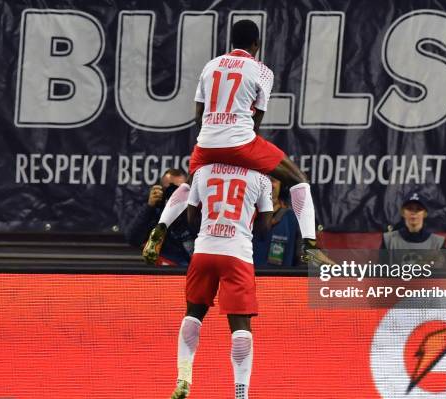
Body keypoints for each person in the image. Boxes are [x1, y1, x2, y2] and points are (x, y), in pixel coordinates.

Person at [143, 19, 333, 267]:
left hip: (207, 141)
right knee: (300, 181)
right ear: (257, 43)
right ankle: (310, 247)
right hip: (241, 141)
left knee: (190, 185)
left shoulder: (210, 66)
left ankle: (160, 228)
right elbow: (257, 120)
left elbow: (199, 114)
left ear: (232, 42)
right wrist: (244, 153)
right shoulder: (262, 71)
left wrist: (212, 140)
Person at [167, 163, 273, 399]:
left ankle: (183, 379)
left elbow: (191, 219)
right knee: (241, 328)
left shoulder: (202, 172)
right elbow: (266, 226)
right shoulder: (260, 178)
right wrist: (245, 231)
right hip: (237, 253)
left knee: (193, 314)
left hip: (204, 250)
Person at [124, 168, 194, 266]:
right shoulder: (155, 212)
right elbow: (133, 238)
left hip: (190, 268)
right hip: (165, 270)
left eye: (180, 190)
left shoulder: (193, 210)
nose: (176, 194)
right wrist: (149, 206)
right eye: (171, 189)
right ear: (162, 190)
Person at [252, 177, 300, 266]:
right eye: (264, 181)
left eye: (273, 180)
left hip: (279, 279)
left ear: (281, 186)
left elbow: (301, 262)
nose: (269, 185)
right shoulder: (248, 216)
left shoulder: (292, 219)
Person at [380, 193, 445, 250]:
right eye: (409, 208)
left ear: (425, 214)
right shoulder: (389, 241)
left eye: (418, 209)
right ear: (403, 212)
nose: (414, 212)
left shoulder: (437, 243)